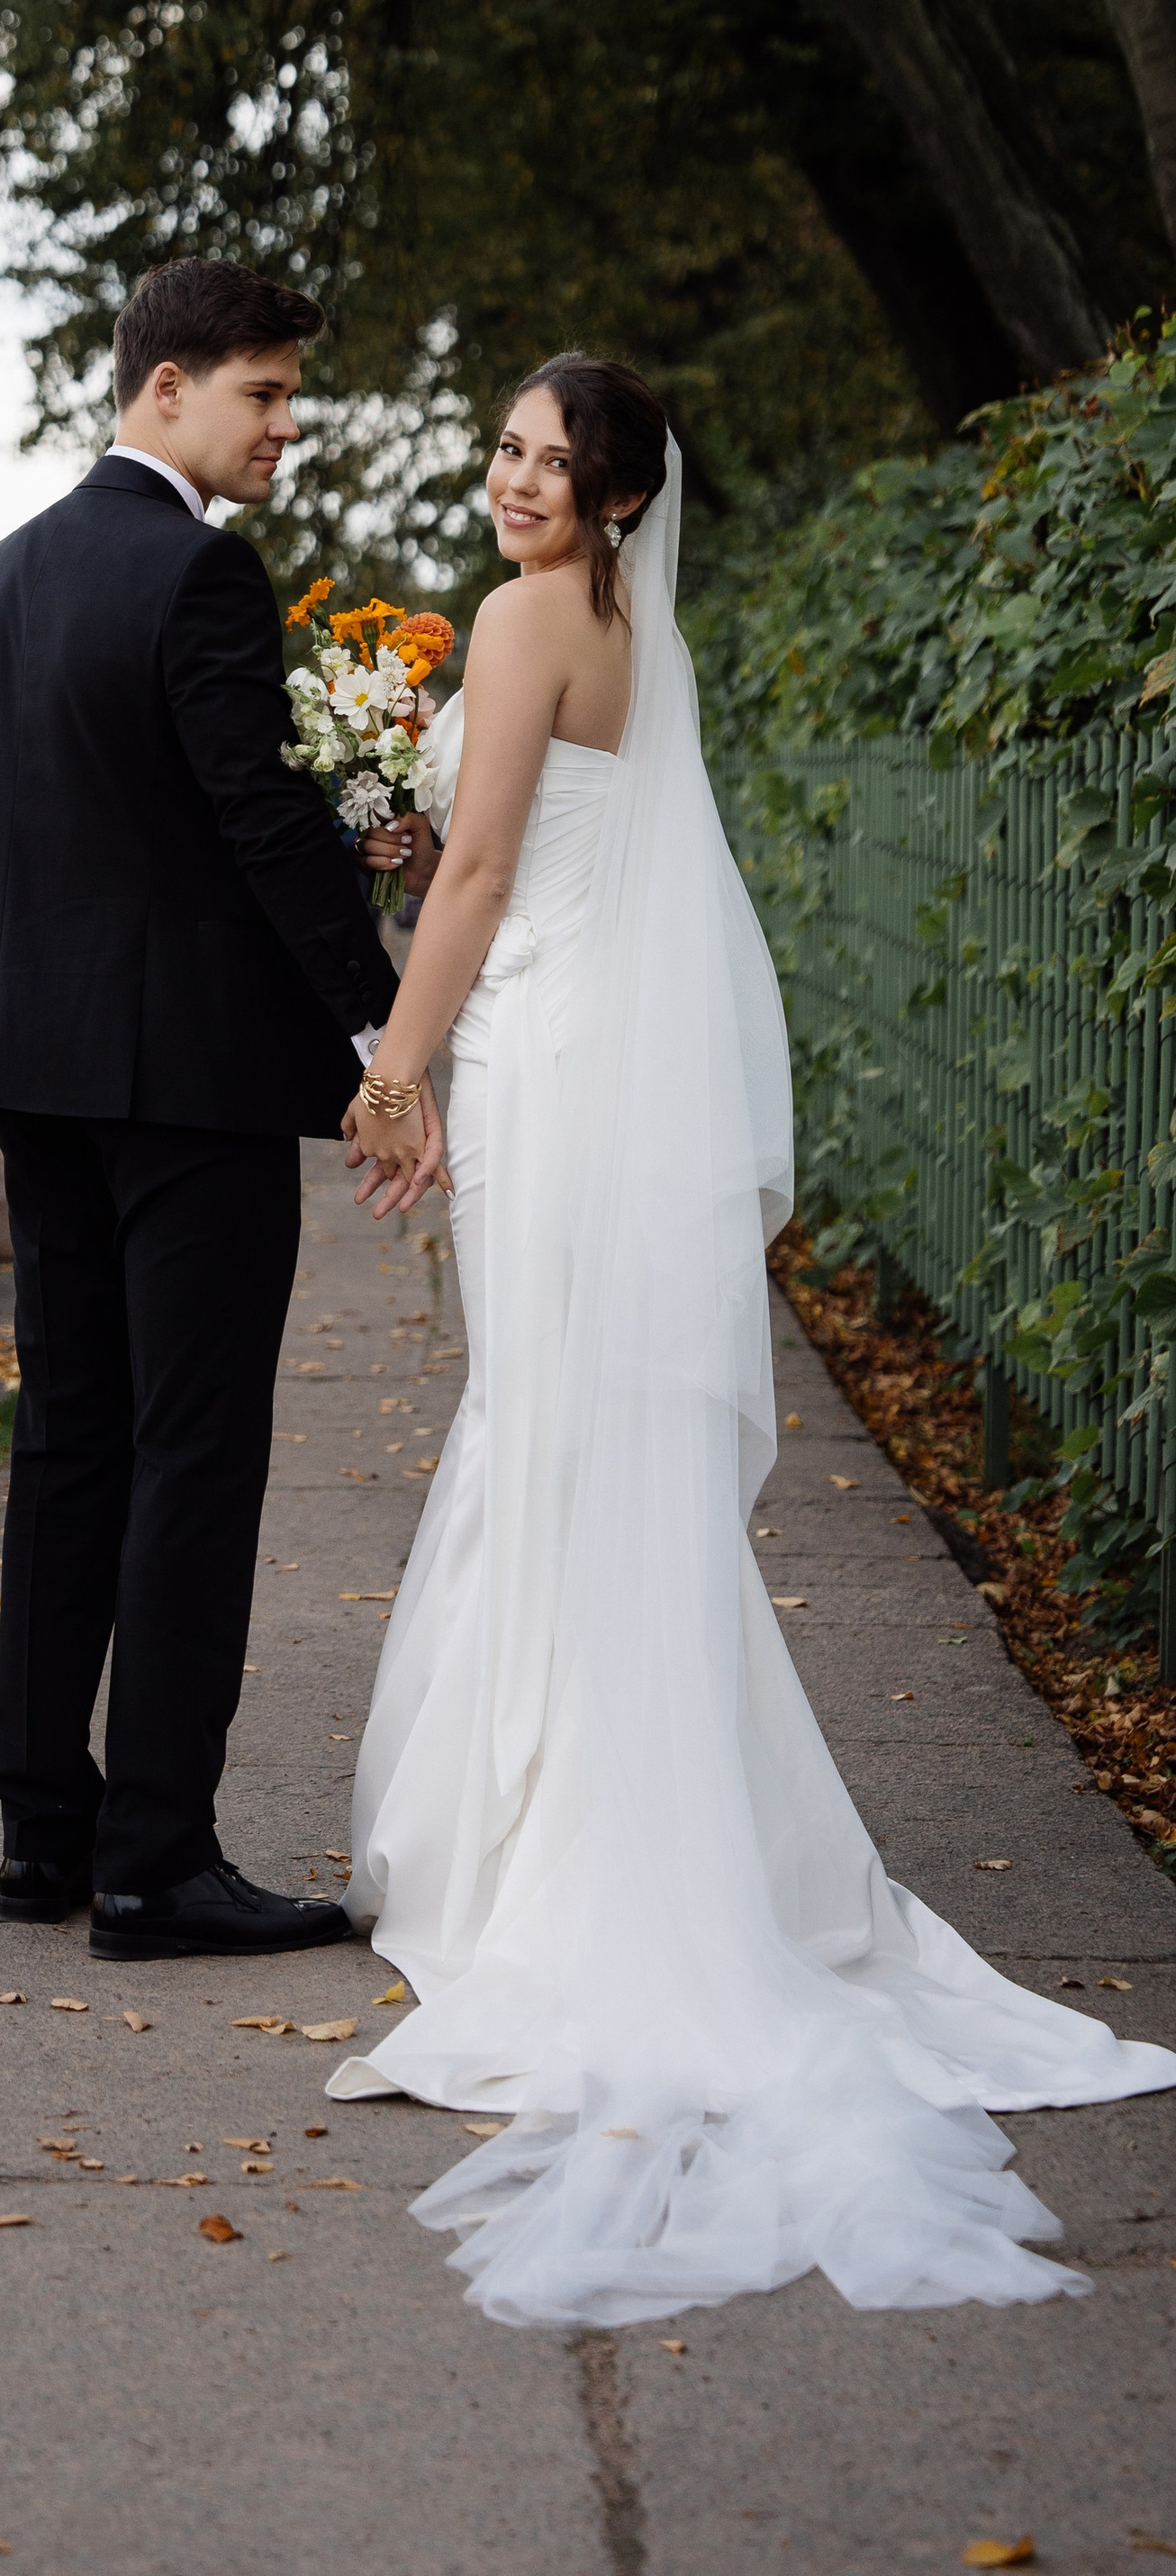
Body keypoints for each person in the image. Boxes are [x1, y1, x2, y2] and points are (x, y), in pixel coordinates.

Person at [330, 354, 1176, 2326]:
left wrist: (392, 1068)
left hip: (540, 1063)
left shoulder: (532, 616)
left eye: (557, 462)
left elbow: (473, 871)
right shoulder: (632, 632)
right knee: (571, 1438)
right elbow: (533, 850)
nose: (517, 480)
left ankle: (577, 1854)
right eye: (508, 450)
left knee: (552, 1431)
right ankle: (608, 1811)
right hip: (574, 1058)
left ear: (619, 496)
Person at [0, 258, 403, 1958]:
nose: (284, 427)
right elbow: (255, 825)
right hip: (186, 1081)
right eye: (263, 394)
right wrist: (381, 1021)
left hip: (29, 1069)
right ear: (164, 391)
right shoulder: (200, 574)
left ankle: (42, 1841)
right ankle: (157, 1862)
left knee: (70, 1444)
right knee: (195, 1453)